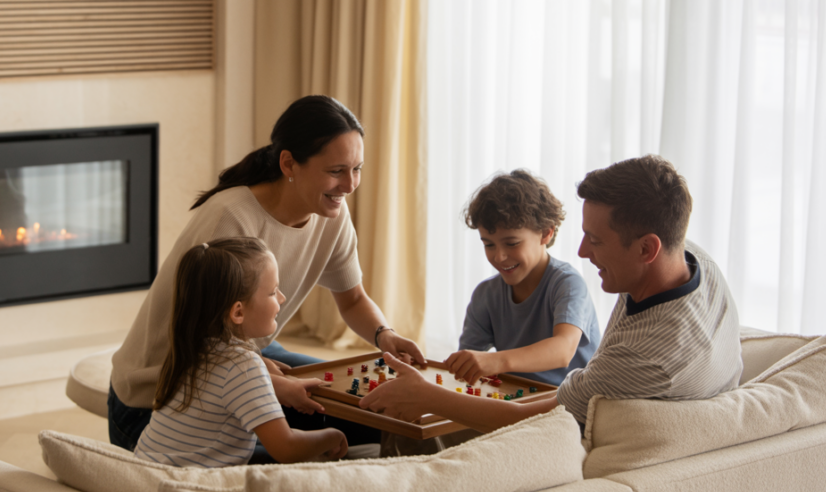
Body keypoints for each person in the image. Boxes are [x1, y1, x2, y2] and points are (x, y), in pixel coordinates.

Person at [109, 95, 426, 451]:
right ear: (289, 163)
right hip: (158, 396)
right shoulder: (231, 217)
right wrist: (269, 381)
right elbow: (205, 344)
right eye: (336, 171)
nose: (350, 185)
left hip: (244, 355)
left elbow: (352, 300)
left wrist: (385, 335)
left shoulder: (330, 215)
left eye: (357, 169)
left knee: (376, 412)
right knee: (290, 462)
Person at [361, 155, 742, 431]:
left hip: (564, 436)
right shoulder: (694, 260)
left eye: (594, 240)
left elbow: (537, 418)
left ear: (647, 249)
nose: (580, 252)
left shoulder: (643, 360)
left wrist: (428, 397)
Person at [134, 238, 348, 466]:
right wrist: (333, 435)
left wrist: (268, 374)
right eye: (273, 292)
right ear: (238, 312)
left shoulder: (191, 347)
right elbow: (287, 448)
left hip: (147, 471)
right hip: (187, 486)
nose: (282, 299)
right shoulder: (242, 365)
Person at [445, 170, 600, 388]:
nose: (498, 256)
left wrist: (495, 361)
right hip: (518, 401)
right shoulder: (486, 295)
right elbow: (467, 363)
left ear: (546, 233)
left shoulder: (568, 285)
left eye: (512, 243)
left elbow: (563, 350)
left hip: (570, 406)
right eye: (488, 244)